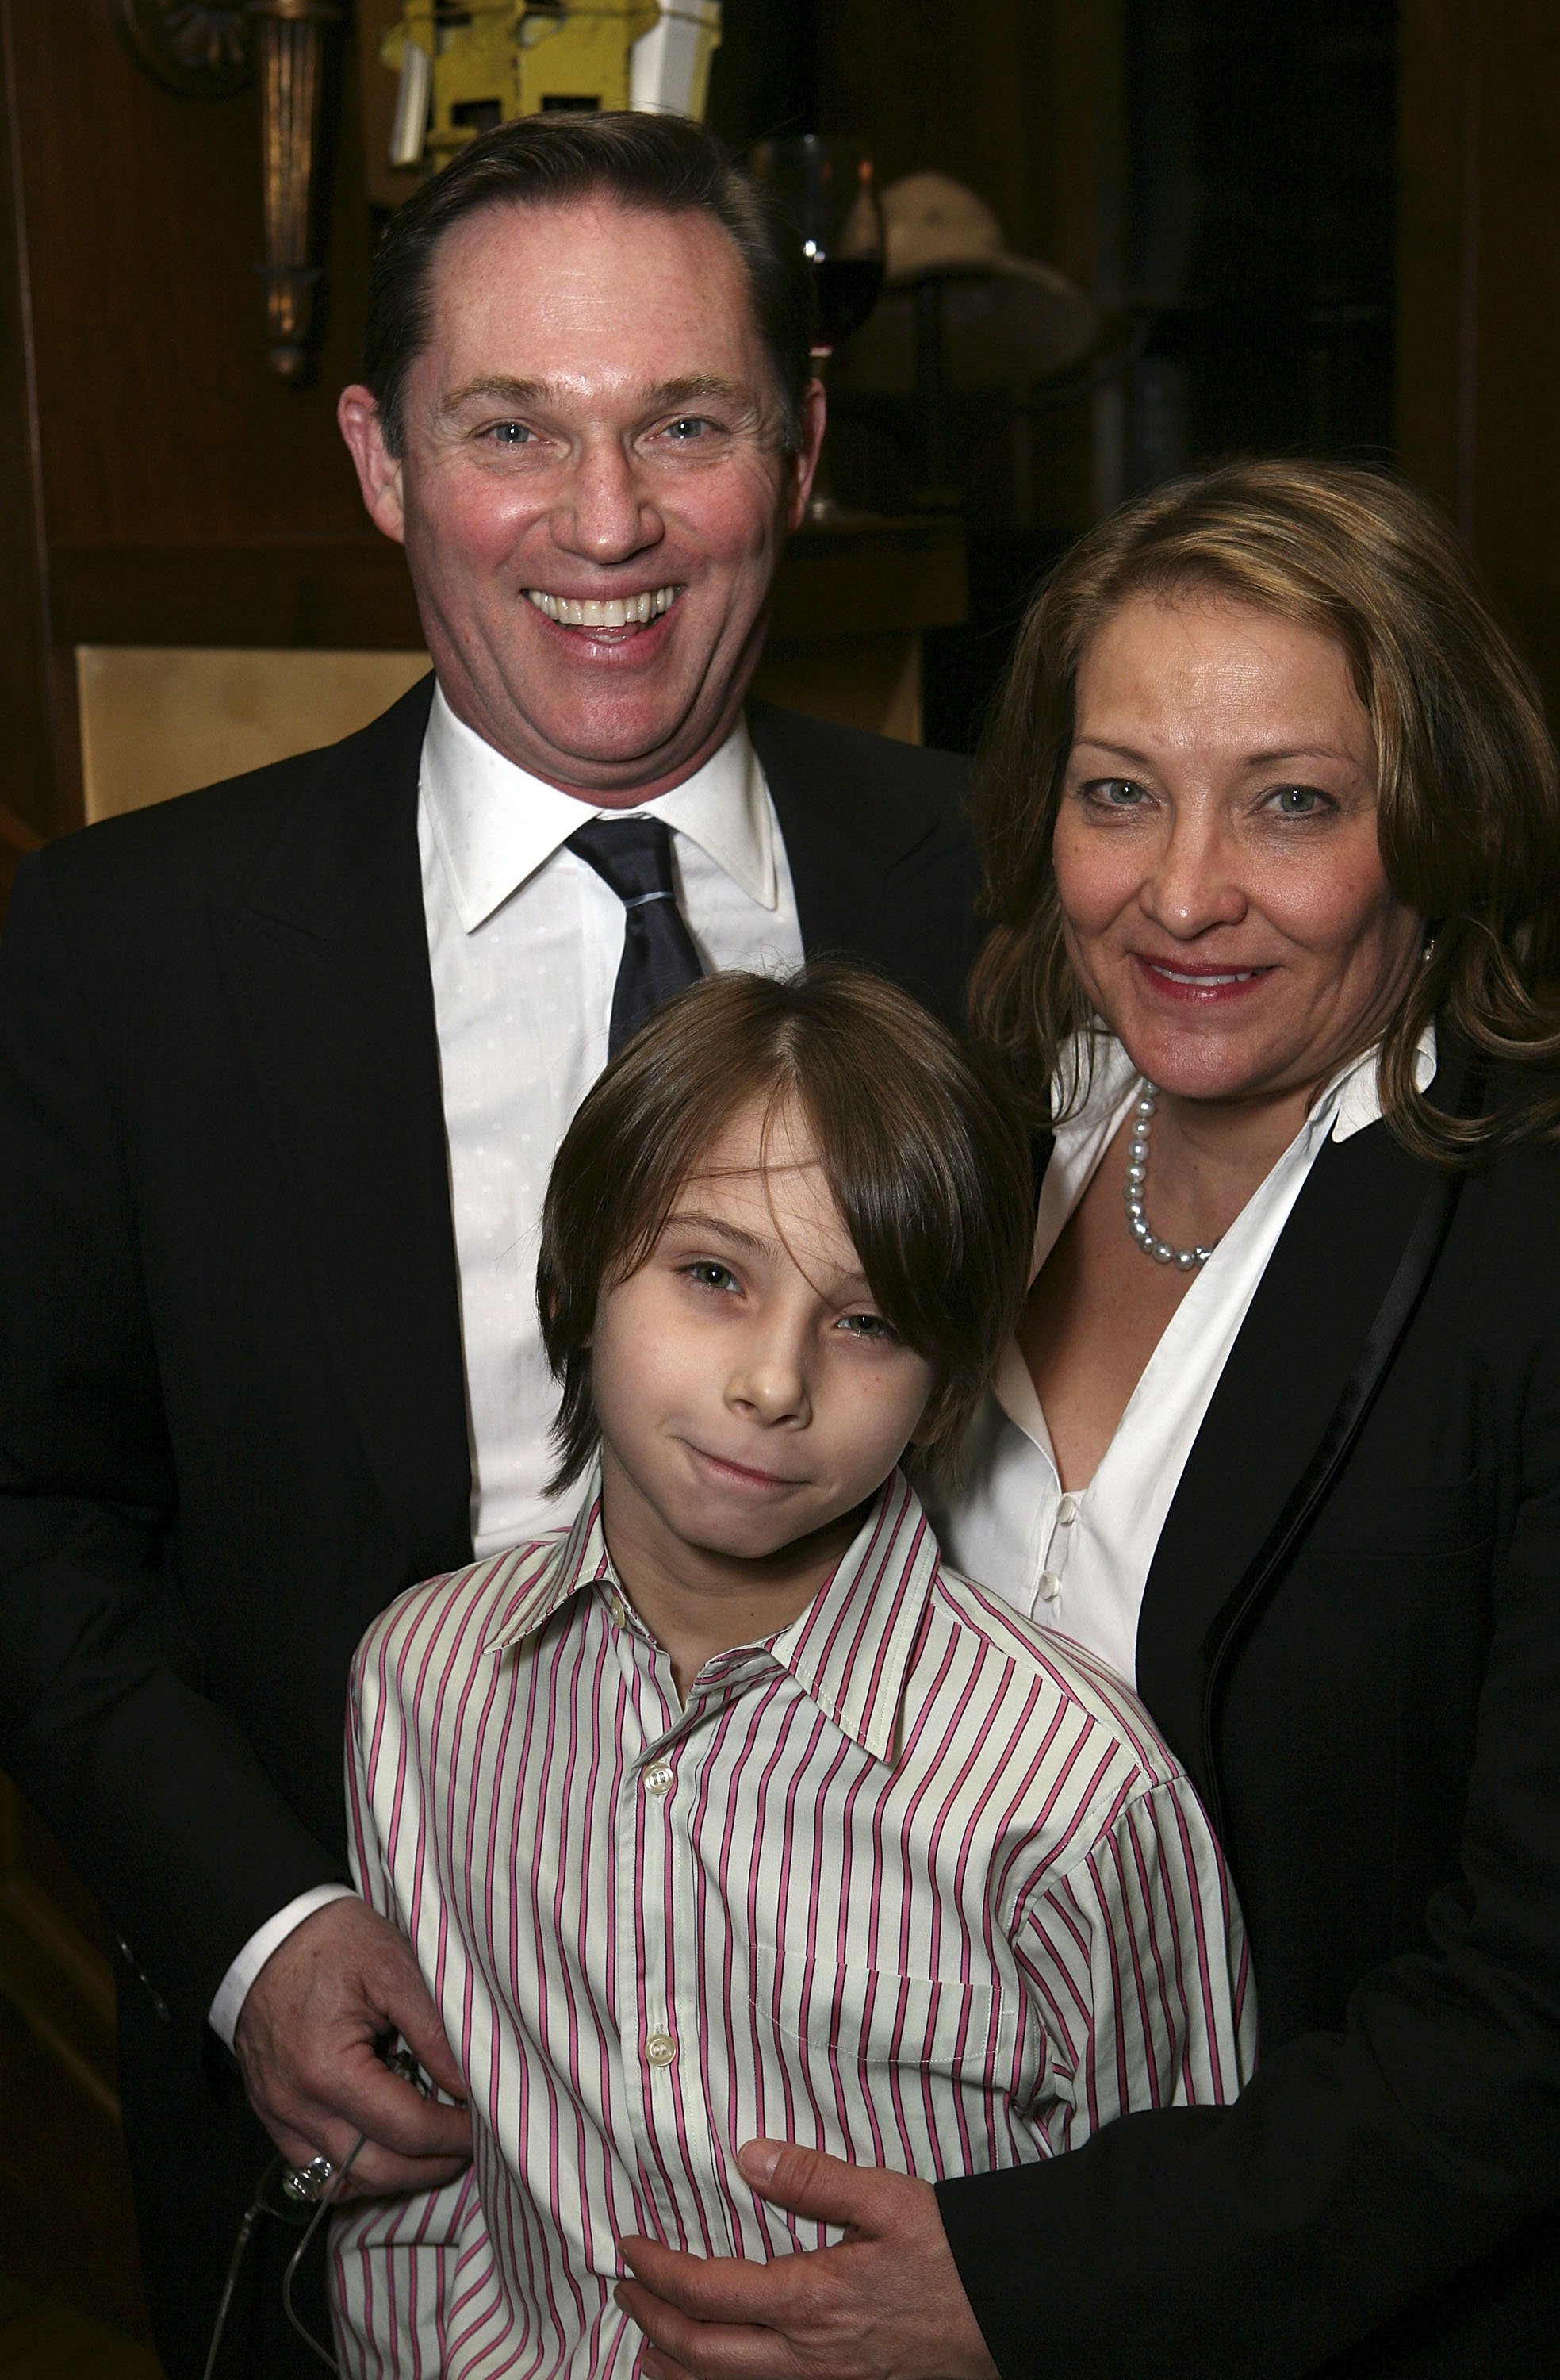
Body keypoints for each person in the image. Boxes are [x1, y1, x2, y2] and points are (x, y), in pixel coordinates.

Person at [0, 114, 984, 2380]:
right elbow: (35, 1512)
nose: (608, 527)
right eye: (510, 432)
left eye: (687, 429)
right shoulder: (136, 950)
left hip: (908, 2124)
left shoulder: (1004, 894)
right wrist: (256, 1932)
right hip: (378, 2124)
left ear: (803, 452)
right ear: (381, 459)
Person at [616, 460, 1560, 2380]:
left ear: (1441, 821)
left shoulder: (1520, 1244)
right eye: (1118, 791)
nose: (1185, 890)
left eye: (1294, 803)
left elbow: (1532, 2013)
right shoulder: (990, 1137)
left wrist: (1037, 2279)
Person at [325, 962, 1254, 2378]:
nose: (772, 1381)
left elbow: (1182, 2269)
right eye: (711, 1275)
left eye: (866, 1322)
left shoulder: (1072, 1795)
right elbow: (422, 2193)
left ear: (944, 1387)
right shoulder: (424, 1685)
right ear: (578, 1279)